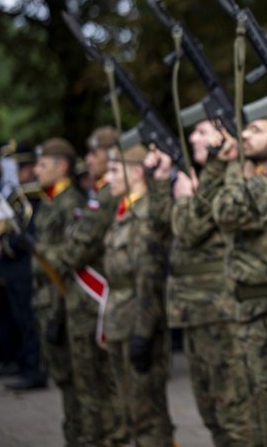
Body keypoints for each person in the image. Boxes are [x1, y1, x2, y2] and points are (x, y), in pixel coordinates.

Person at [211, 117, 267, 446]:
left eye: (256, 129)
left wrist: (253, 182)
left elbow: (259, 212)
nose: (244, 135)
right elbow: (223, 212)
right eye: (245, 129)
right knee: (253, 408)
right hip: (245, 307)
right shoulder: (245, 170)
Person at [163, 120, 253, 445]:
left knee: (235, 416)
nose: (191, 138)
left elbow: (190, 230)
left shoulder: (232, 174)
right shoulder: (210, 178)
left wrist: (185, 197)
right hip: (199, 312)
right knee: (212, 413)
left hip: (222, 312)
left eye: (202, 132)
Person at [43, 126, 125, 446]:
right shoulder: (98, 194)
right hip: (83, 302)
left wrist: (45, 253)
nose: (89, 159)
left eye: (95, 153)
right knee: (87, 388)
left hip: (92, 305)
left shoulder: (104, 197)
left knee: (96, 390)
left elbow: (75, 251)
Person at [102, 145, 174, 446]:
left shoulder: (145, 215)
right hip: (120, 320)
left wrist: (143, 333)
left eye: (114, 171)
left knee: (147, 415)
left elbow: (148, 279)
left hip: (137, 322)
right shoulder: (125, 211)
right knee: (129, 410)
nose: (107, 178)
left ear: (135, 173)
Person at [28, 138, 86, 444]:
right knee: (64, 380)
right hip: (47, 299)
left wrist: (39, 254)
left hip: (61, 301)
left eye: (43, 165)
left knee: (74, 382)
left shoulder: (70, 204)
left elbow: (69, 256)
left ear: (62, 167)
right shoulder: (51, 201)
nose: (36, 170)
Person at [0, 142, 42, 385]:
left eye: (19, 168)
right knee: (16, 317)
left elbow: (27, 232)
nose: (15, 173)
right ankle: (19, 364)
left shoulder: (30, 197)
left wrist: (4, 247)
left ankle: (33, 370)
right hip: (11, 268)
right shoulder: (14, 195)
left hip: (23, 267)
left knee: (28, 320)